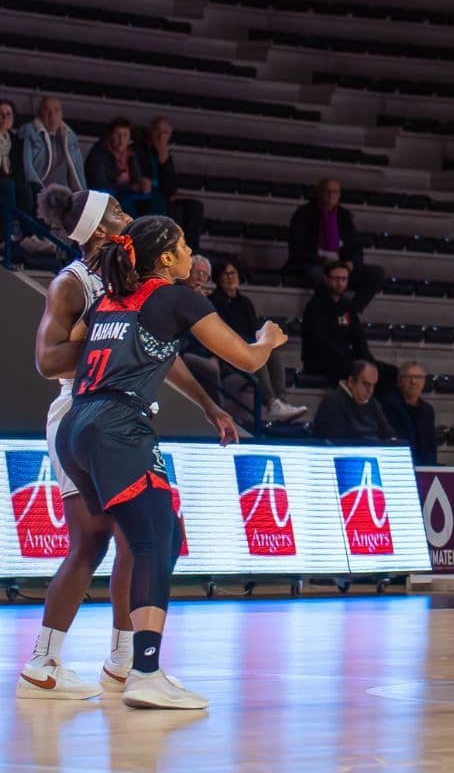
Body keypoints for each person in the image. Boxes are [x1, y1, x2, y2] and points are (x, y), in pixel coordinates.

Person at [54, 214, 285, 709]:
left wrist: (205, 402)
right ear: (164, 258)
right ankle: (145, 671)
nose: (190, 255)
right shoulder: (179, 299)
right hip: (118, 423)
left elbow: (78, 347)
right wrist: (269, 339)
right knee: (156, 537)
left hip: (76, 425)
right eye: (182, 246)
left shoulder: (106, 300)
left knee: (152, 538)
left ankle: (125, 666)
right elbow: (245, 359)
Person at [17, 190, 227, 701]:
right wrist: (107, 338)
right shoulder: (73, 282)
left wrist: (207, 403)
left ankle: (123, 657)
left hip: (115, 412)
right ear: (97, 231)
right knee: (95, 539)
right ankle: (44, 661)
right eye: (117, 213)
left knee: (142, 538)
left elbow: (160, 350)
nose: (128, 217)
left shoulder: (128, 282)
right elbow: (47, 361)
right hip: (81, 408)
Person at [208, 256, 308, 423]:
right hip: (229, 353)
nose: (230, 277)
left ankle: (281, 402)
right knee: (256, 353)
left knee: (271, 350)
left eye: (233, 273)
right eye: (226, 274)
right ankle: (271, 402)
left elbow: (255, 328)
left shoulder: (245, 302)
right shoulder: (214, 302)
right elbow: (222, 333)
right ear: (219, 278)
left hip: (248, 346)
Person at [284, 178, 385, 313]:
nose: (332, 195)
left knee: (376, 274)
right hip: (315, 262)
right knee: (317, 274)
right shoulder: (303, 214)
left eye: (335, 192)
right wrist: (323, 261)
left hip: (339, 264)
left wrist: (352, 263)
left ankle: (350, 313)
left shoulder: (344, 215)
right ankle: (333, 313)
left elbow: (355, 245)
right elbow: (297, 250)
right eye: (328, 191)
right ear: (319, 193)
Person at [299, 261, 395, 395]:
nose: (340, 283)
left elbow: (359, 340)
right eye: (336, 279)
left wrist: (370, 363)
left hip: (346, 358)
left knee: (390, 373)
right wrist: (352, 360)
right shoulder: (315, 306)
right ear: (326, 279)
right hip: (320, 361)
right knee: (358, 372)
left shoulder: (347, 306)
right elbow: (321, 342)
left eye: (344, 279)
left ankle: (377, 411)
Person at [134, 117, 204, 250]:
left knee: (195, 207)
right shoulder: (138, 149)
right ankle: (173, 249)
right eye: (158, 131)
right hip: (144, 196)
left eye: (166, 133)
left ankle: (191, 252)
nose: (161, 136)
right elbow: (142, 179)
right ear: (151, 132)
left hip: (163, 195)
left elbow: (170, 187)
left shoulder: (164, 152)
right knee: (174, 211)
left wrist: (163, 160)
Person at [84, 117, 161, 218]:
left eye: (125, 135)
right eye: (117, 134)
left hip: (127, 196)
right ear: (110, 135)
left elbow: (136, 179)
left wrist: (143, 183)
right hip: (106, 200)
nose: (121, 139)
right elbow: (98, 186)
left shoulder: (131, 153)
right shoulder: (98, 155)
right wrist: (127, 188)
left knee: (157, 200)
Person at [177, 255, 225, 411]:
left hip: (205, 350)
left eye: (204, 274)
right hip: (183, 351)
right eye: (196, 272)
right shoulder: (175, 292)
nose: (200, 277)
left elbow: (215, 331)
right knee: (211, 369)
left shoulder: (207, 301)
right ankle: (219, 411)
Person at [314, 360, 400, 444]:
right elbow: (337, 443)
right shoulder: (332, 403)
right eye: (366, 384)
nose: (371, 390)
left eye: (373, 385)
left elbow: (388, 434)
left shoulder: (372, 402)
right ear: (351, 381)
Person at [20, 96, 85, 197]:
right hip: (40, 191)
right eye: (47, 111)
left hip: (65, 193)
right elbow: (27, 169)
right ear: (40, 114)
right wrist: (39, 191)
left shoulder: (70, 137)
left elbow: (79, 172)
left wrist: (85, 196)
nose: (52, 116)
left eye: (56, 110)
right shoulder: (29, 132)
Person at [380, 362, 438, 465]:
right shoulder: (387, 406)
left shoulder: (428, 410)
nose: (413, 381)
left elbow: (431, 445)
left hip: (424, 467)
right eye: (408, 377)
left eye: (418, 377)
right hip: (398, 465)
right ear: (399, 381)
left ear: (424, 381)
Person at [0, 97, 36, 221]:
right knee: (7, 186)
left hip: (10, 181)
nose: (4, 118)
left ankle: (31, 234)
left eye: (8, 114)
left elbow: (19, 169)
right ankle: (6, 234)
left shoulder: (17, 142)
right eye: (0, 114)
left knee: (30, 188)